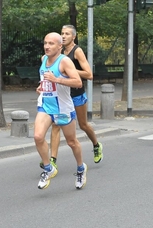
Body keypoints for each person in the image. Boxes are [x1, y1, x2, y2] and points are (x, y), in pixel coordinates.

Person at [41, 25, 103, 170]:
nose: (63, 36)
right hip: (61, 95)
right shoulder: (58, 50)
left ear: (73, 37)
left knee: (83, 125)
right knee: (56, 125)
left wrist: (70, 70)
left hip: (76, 93)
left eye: (67, 34)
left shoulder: (77, 51)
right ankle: (53, 159)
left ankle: (96, 144)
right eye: (62, 33)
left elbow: (89, 75)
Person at [35, 32, 87, 189]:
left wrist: (57, 80)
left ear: (60, 46)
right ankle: (48, 168)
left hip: (63, 107)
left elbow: (78, 82)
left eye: (51, 43)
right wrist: (42, 86)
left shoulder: (64, 62)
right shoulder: (44, 59)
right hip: (46, 105)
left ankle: (80, 168)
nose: (46, 46)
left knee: (72, 142)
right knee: (38, 136)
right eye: (45, 43)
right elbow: (46, 79)